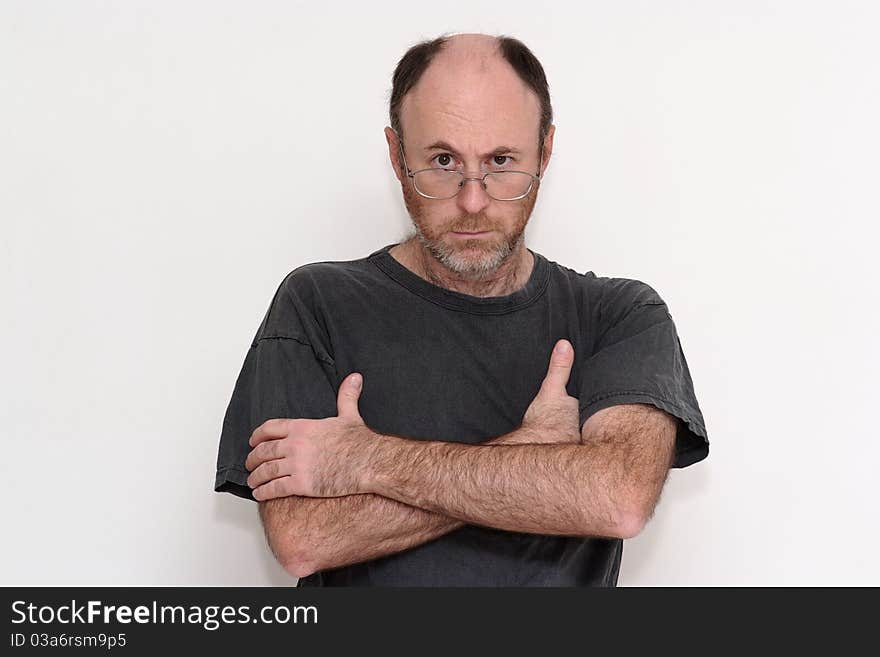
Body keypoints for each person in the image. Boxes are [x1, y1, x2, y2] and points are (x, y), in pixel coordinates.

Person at [213, 32, 709, 586]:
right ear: (398, 156)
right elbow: (304, 540)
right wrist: (534, 453)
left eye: (501, 161)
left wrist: (365, 460)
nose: (473, 201)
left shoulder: (618, 315)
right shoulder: (317, 304)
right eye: (443, 160)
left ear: (544, 153)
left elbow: (618, 498)